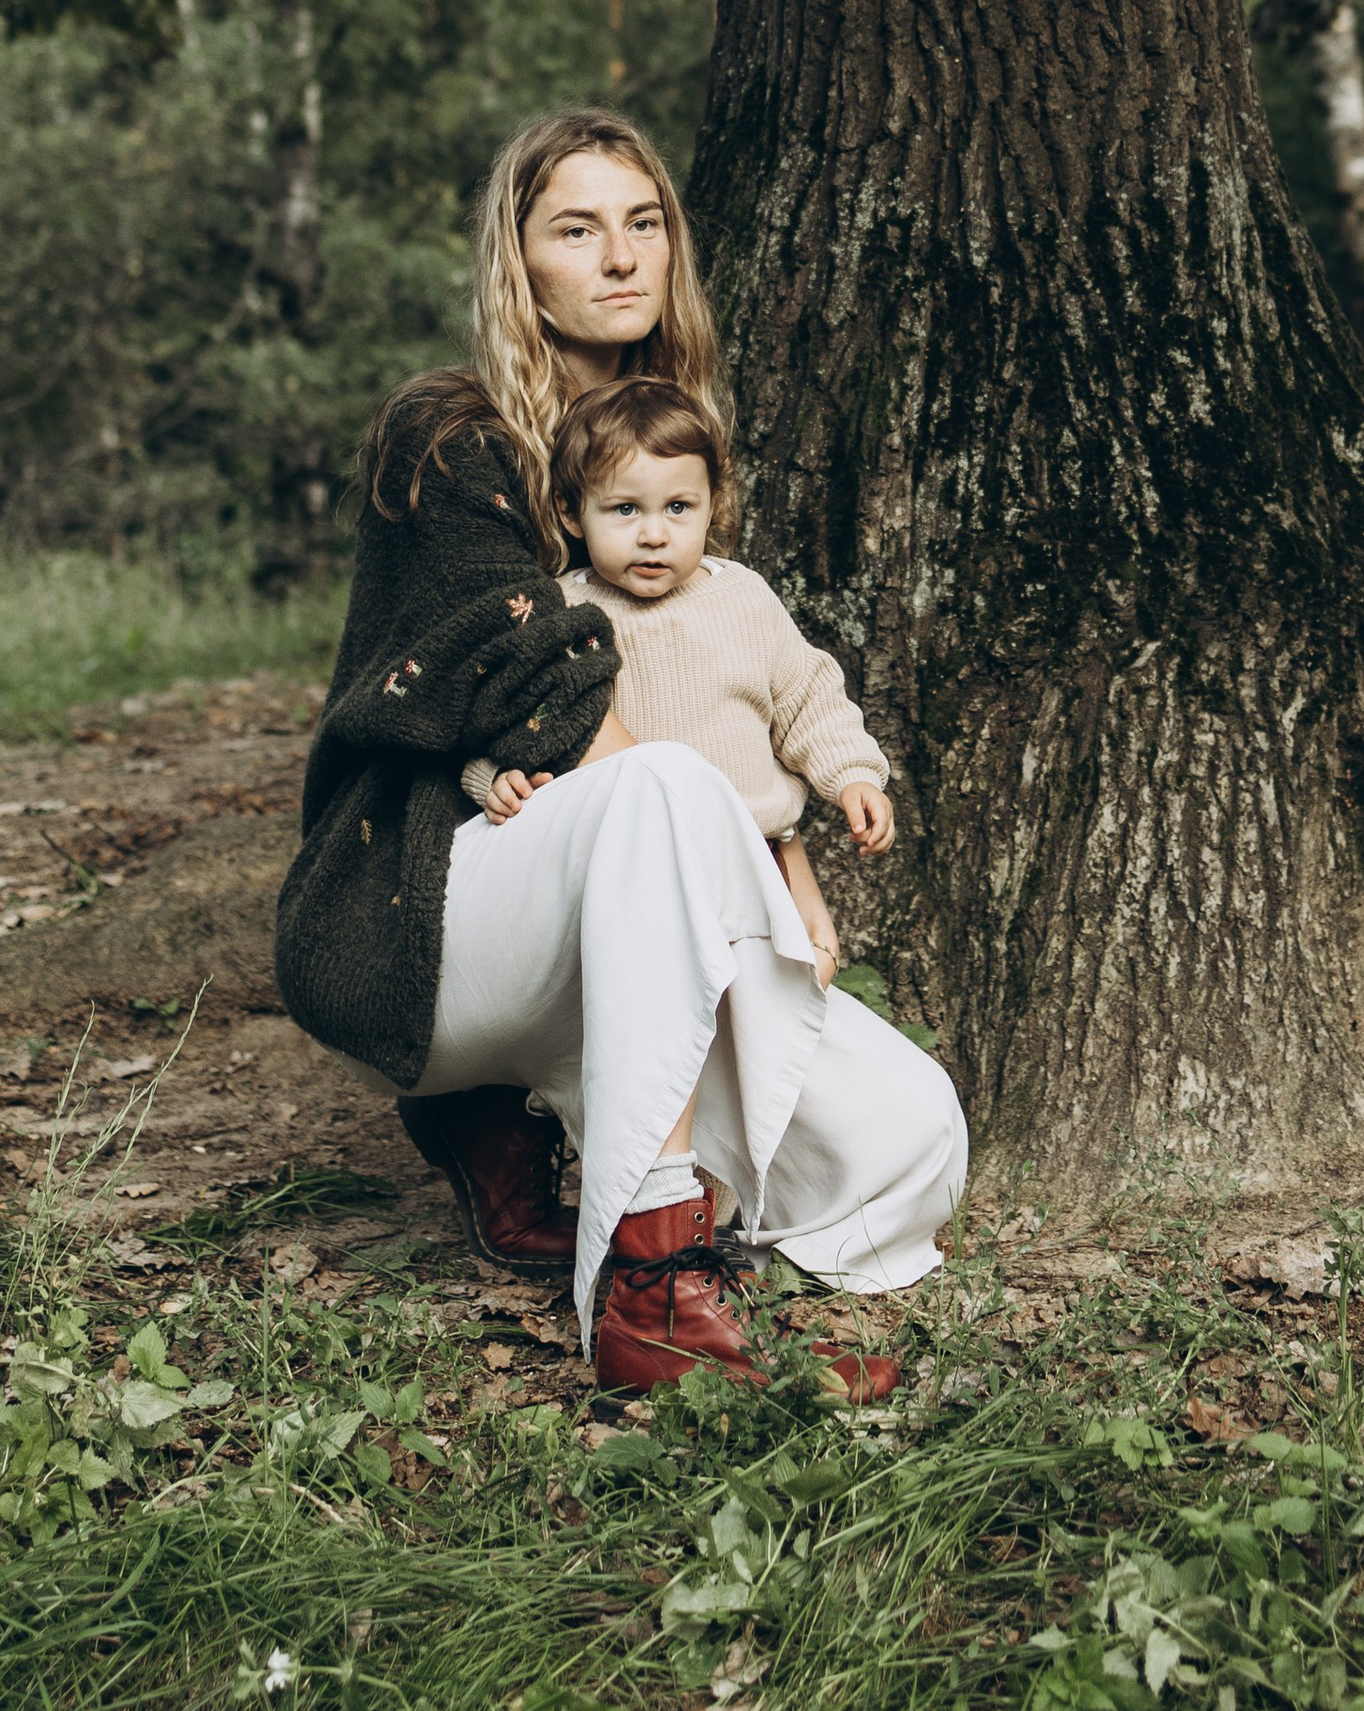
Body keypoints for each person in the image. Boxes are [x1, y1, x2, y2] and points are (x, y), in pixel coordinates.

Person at [274, 105, 968, 1393]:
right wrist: (760, 877)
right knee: (651, 778)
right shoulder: (447, 433)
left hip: (644, 914)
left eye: (643, 224)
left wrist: (791, 866)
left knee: (911, 1135)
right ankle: (647, 1287)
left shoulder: (670, 450)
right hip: (436, 910)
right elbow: (546, 689)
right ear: (517, 259)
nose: (620, 256)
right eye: (576, 228)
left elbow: (745, 689)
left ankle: (652, 1182)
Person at [470, 375, 894, 1006]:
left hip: (754, 863)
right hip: (629, 880)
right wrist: (494, 777)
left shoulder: (742, 597)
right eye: (624, 509)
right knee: (652, 1007)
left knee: (773, 998)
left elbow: (808, 697)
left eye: (678, 508)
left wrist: (854, 777)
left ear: (711, 504)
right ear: (569, 510)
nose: (654, 534)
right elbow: (506, 718)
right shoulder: (561, 613)